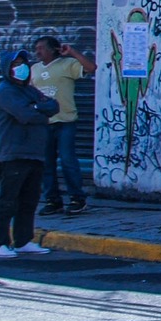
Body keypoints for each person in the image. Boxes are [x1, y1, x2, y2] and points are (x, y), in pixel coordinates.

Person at [0, 51, 58, 260]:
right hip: (13, 154)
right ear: (7, 68)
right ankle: (1, 243)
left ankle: (23, 240)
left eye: (23, 63)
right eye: (15, 64)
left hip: (35, 153)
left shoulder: (29, 91)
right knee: (7, 201)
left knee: (29, 200)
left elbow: (53, 106)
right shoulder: (4, 91)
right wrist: (39, 112)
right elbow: (24, 115)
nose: (20, 68)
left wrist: (37, 107)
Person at [30, 34, 96, 215]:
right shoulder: (34, 69)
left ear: (53, 49)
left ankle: (77, 198)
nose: (37, 52)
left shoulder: (67, 64)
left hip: (65, 121)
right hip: (43, 124)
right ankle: (53, 200)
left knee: (68, 161)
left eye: (41, 48)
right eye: (36, 48)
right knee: (46, 164)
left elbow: (91, 68)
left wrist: (72, 52)